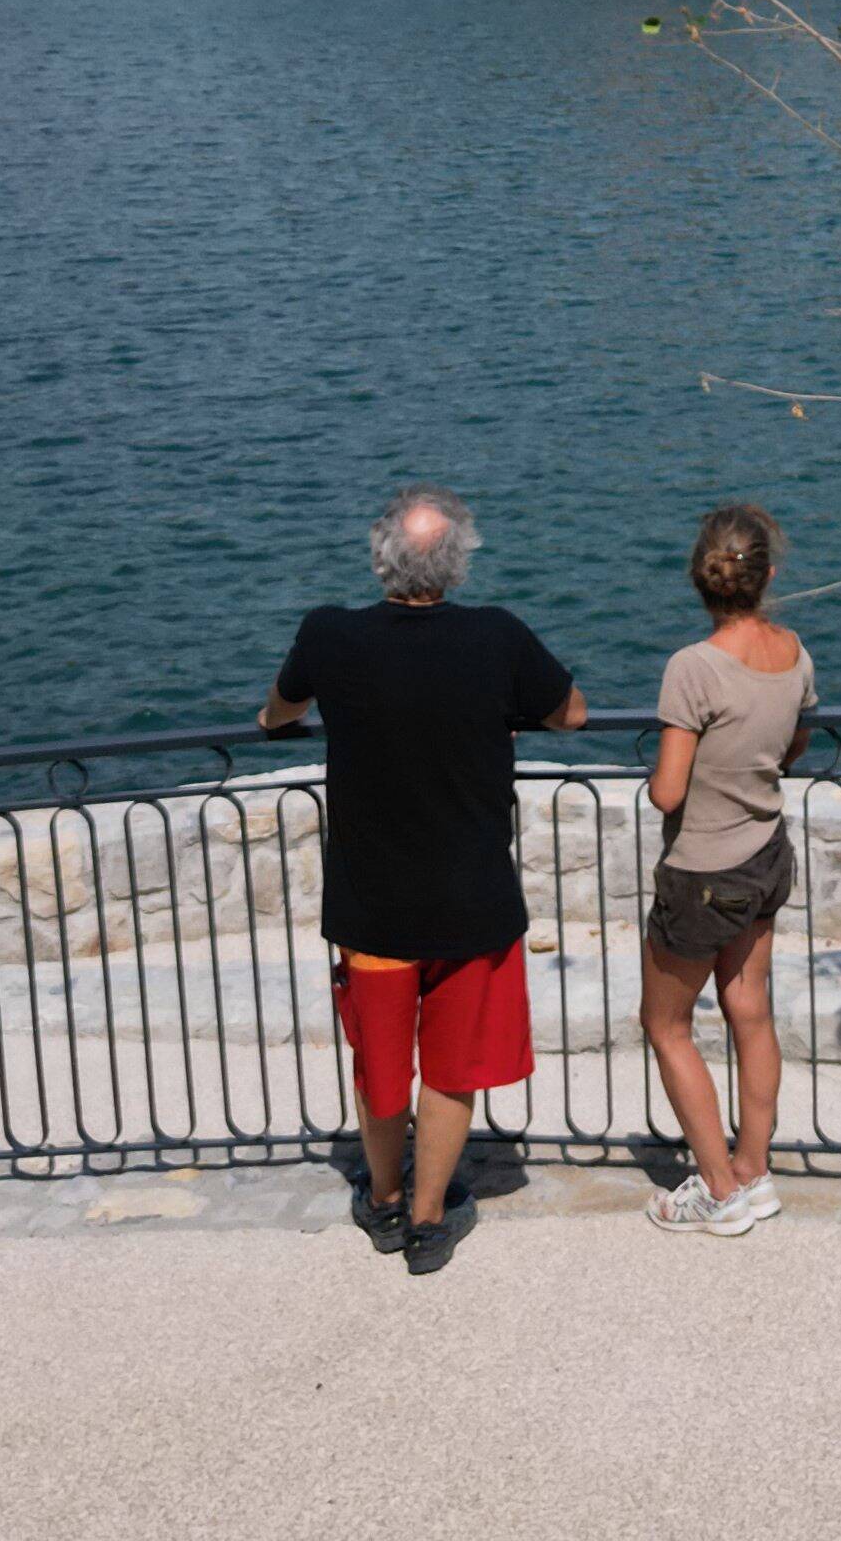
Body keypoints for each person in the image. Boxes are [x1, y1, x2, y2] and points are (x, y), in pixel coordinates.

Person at [259, 485, 584, 1275]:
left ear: (381, 559)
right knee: (451, 1070)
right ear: (458, 563)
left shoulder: (329, 634)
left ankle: (383, 1198)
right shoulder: (496, 638)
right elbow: (569, 713)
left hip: (372, 905)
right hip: (471, 902)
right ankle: (431, 1219)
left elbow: (277, 711)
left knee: (380, 1062)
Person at [636, 500, 813, 1236]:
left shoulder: (693, 669)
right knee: (750, 1011)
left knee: (667, 1024)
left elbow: (668, 792)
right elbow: (793, 749)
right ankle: (754, 1168)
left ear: (701, 580)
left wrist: (656, 778)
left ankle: (717, 1190)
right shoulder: (795, 652)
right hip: (766, 857)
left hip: (702, 871)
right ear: (767, 574)